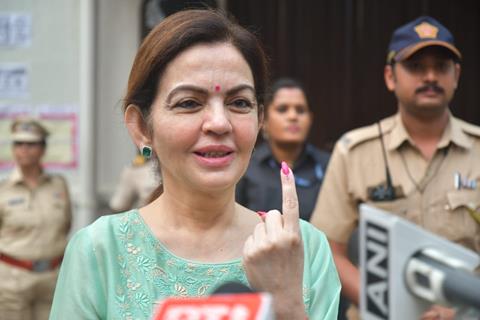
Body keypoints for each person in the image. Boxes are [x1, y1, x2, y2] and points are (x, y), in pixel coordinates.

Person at [49, 9, 340, 320]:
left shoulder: (302, 249)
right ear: (141, 127)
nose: (219, 123)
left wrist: (285, 303)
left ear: (259, 120)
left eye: (239, 103)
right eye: (189, 103)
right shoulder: (99, 251)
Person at [310, 16, 480, 320]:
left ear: (456, 76)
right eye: (415, 67)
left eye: (441, 67)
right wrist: (389, 304)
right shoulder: (355, 151)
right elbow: (328, 251)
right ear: (390, 77)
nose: (430, 76)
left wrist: (461, 306)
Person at [0, 118, 72, 320]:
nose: (24, 149)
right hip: (11, 281)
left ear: (42, 149)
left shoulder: (58, 185)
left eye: (31, 144)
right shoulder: (3, 189)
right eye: (18, 144)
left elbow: (65, 225)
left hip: (52, 277)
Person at [236, 77, 330, 221]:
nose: (293, 116)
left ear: (310, 119)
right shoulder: (246, 167)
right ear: (264, 120)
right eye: (282, 109)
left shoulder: (328, 166)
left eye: (300, 110)